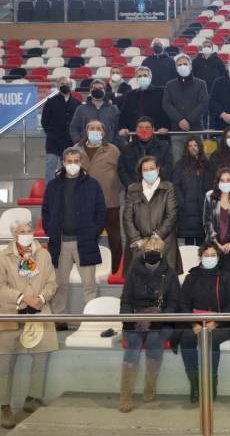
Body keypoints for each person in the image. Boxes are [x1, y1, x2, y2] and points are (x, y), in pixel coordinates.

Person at [0, 219, 58, 430]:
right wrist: (22, 297)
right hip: (10, 313)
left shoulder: (44, 255)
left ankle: (33, 398)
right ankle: (5, 406)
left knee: (41, 354)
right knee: (6, 361)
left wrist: (41, 299)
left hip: (38, 311)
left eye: (29, 230)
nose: (27, 234)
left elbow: (52, 283)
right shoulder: (2, 257)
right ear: (14, 235)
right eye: (21, 231)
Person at [41, 147, 106, 322]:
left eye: (76, 161)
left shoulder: (92, 184)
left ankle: (91, 319)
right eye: (69, 161)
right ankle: (59, 320)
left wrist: (94, 232)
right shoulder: (53, 185)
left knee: (89, 285)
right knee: (59, 285)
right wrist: (50, 230)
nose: (73, 164)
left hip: (84, 241)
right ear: (63, 162)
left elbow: (101, 212)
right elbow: (45, 211)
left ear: (81, 162)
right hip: (60, 243)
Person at [119, 236, 180, 413]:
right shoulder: (133, 272)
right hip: (135, 318)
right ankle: (125, 396)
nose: (152, 253)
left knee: (154, 340)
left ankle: (150, 389)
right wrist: (129, 319)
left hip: (161, 320)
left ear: (162, 253)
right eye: (148, 250)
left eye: (156, 250)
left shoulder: (170, 274)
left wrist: (157, 321)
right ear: (143, 252)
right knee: (133, 344)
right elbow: (126, 300)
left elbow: (173, 304)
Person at [178, 243, 230, 402]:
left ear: (218, 258)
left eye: (213, 255)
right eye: (207, 255)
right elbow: (183, 304)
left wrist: (216, 322)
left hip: (221, 323)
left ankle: (211, 383)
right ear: (201, 257)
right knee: (186, 338)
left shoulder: (226, 276)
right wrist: (193, 324)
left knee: (212, 339)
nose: (210, 258)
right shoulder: (192, 277)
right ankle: (195, 384)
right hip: (195, 322)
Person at [75, 120, 123, 273]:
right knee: (88, 238)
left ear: (103, 132)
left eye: (98, 128)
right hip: (85, 204)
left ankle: (116, 270)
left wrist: (112, 189)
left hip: (109, 201)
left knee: (115, 239)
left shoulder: (113, 150)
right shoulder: (76, 149)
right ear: (86, 131)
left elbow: (121, 174)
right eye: (91, 128)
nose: (95, 130)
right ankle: (88, 270)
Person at [123, 155, 181, 274]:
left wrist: (156, 237)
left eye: (152, 168)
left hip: (164, 244)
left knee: (165, 285)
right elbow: (127, 217)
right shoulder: (132, 189)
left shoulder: (168, 188)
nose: (149, 172)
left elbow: (172, 215)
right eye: (145, 169)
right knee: (139, 286)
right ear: (140, 171)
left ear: (158, 169)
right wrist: (137, 239)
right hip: (139, 246)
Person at [203, 167, 230, 295]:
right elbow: (207, 222)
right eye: (222, 180)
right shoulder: (210, 197)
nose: (225, 183)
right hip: (214, 249)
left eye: (228, 180)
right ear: (217, 182)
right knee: (214, 288)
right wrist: (217, 244)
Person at [162, 53, 210, 161]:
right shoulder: (169, 85)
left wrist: (188, 120)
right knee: (177, 161)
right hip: (176, 131)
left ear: (190, 66)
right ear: (175, 68)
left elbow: (203, 103)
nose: (182, 66)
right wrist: (180, 120)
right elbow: (166, 104)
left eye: (185, 63)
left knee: (200, 161)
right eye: (179, 65)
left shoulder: (201, 84)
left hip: (196, 130)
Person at [173, 136, 212, 246]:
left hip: (202, 210)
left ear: (200, 147)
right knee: (188, 246)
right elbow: (176, 185)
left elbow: (210, 185)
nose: (193, 148)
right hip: (186, 211)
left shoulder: (207, 165)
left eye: (195, 145)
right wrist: (182, 202)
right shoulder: (179, 165)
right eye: (190, 146)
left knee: (202, 245)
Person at [41, 76, 80, 184]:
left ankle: (68, 190)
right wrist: (51, 133)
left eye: (67, 84)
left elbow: (78, 122)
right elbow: (44, 121)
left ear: (70, 86)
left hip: (69, 141)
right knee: (50, 166)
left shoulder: (77, 103)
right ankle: (50, 191)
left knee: (69, 168)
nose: (65, 86)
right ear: (58, 87)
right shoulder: (50, 102)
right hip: (53, 141)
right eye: (62, 84)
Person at [118, 116, 174, 189]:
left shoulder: (164, 148)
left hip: (158, 190)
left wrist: (157, 185)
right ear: (136, 130)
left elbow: (168, 169)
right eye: (140, 128)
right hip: (134, 191)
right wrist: (132, 186)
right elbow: (122, 170)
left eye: (147, 128)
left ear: (153, 130)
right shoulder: (127, 148)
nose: (144, 130)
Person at [118, 66, 170, 140]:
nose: (142, 78)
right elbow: (124, 113)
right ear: (136, 79)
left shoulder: (161, 92)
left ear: (150, 77)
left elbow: (166, 111)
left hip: (157, 135)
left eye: (145, 75)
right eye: (140, 76)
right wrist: (122, 128)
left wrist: (165, 126)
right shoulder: (130, 95)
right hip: (136, 136)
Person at [69, 78, 121, 146]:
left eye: (100, 88)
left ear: (104, 91)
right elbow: (74, 128)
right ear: (90, 91)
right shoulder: (81, 109)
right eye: (94, 88)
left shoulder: (113, 109)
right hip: (86, 147)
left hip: (108, 147)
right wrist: (79, 142)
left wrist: (114, 145)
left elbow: (117, 129)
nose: (97, 90)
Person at [192, 39, 226, 125]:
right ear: (201, 48)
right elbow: (192, 76)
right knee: (202, 115)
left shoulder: (218, 61)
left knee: (214, 114)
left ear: (212, 48)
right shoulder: (195, 61)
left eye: (208, 46)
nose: (206, 48)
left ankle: (213, 135)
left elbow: (223, 75)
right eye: (204, 46)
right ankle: (202, 135)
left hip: (215, 92)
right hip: (200, 92)